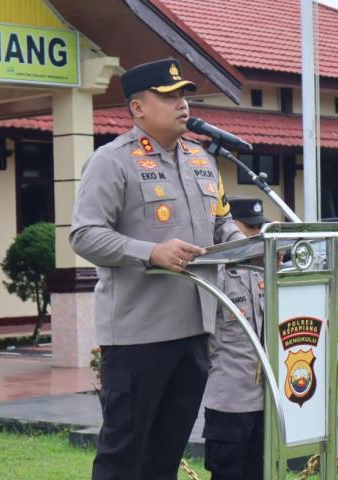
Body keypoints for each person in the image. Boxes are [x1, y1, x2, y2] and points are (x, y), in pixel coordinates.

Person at [70, 58, 245, 480]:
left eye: (183, 95)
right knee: (123, 458)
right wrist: (151, 252)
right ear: (137, 108)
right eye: (169, 96)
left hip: (195, 332)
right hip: (138, 337)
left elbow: (222, 224)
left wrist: (250, 248)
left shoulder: (201, 159)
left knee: (166, 456)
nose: (182, 104)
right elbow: (84, 235)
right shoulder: (112, 161)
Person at [203, 196, 269, 480]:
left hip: (265, 399)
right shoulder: (214, 273)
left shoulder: (263, 270)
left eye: (258, 228)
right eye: (249, 228)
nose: (255, 235)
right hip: (229, 401)